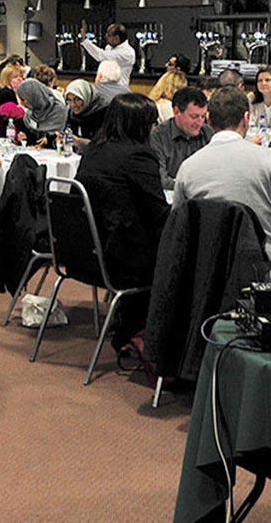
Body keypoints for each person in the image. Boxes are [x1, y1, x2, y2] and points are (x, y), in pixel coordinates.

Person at [76, 93, 170, 349]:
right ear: (141, 124)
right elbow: (158, 209)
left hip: (87, 249)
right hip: (124, 257)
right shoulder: (138, 156)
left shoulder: (94, 149)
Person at [174, 86, 271, 262]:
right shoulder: (268, 159)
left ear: (209, 120)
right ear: (246, 118)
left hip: (207, 271)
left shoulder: (188, 167)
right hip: (263, 269)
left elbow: (178, 227)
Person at [149, 87, 213, 190]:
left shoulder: (208, 133)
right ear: (176, 111)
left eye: (203, 116)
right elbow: (160, 180)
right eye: (194, 116)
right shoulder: (159, 136)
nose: (200, 122)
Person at [79, 21, 136, 87]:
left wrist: (85, 40)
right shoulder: (109, 47)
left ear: (117, 38)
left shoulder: (127, 52)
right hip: (104, 87)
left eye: (109, 35)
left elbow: (100, 55)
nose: (106, 37)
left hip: (118, 89)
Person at [17, 78, 68, 144]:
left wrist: (48, 139)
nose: (22, 103)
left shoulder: (58, 111)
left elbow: (60, 135)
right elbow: (32, 135)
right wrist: (25, 136)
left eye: (24, 99)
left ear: (34, 97)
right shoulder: (31, 112)